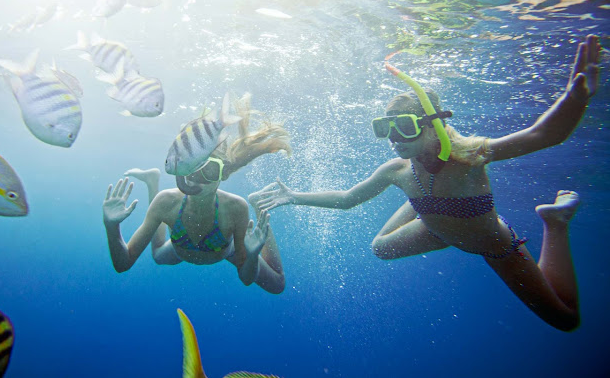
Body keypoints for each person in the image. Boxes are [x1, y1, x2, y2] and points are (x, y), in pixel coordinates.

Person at [249, 35, 601, 330]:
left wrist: (575, 99)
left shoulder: (470, 158)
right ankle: (423, 205)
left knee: (566, 320)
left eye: (404, 127)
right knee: (380, 248)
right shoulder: (397, 170)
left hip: (493, 245)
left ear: (433, 125)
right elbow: (347, 198)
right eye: (386, 129)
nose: (395, 138)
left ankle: (555, 222)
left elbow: (544, 134)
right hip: (436, 230)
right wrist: (294, 196)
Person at [102, 94, 291, 294]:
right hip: (179, 250)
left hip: (226, 251)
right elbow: (123, 264)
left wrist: (252, 255)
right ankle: (152, 181)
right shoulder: (166, 202)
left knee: (277, 285)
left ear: (222, 174)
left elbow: (245, 278)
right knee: (157, 255)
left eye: (208, 170)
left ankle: (259, 204)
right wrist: (111, 226)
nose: (197, 178)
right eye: (191, 168)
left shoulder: (235, 208)